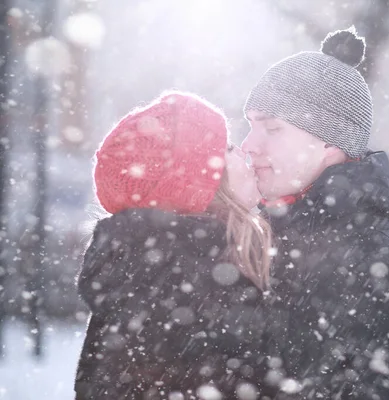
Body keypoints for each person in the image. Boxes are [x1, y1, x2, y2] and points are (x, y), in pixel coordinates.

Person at [241, 28, 389, 399]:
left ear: (329, 142)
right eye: (250, 126)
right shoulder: (252, 238)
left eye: (272, 128)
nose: (248, 145)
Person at [74, 91, 281, 399]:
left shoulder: (146, 277)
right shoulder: (201, 286)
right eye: (227, 147)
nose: (243, 151)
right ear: (202, 186)